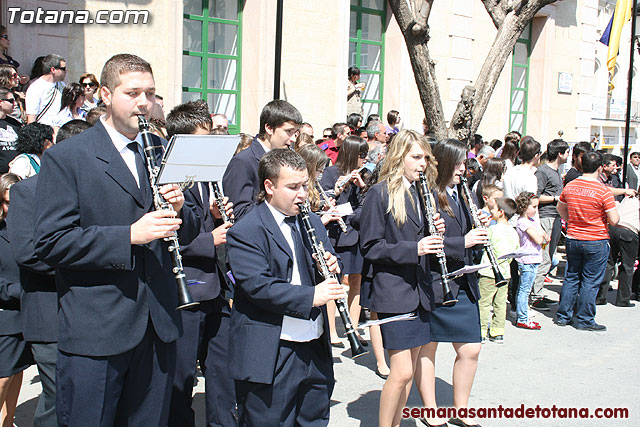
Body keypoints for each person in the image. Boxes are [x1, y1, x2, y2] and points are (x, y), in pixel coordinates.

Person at [33, 53, 200, 426]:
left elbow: (186, 232)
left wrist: (179, 208)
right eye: (133, 92)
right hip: (98, 329)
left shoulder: (157, 152)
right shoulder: (67, 156)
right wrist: (128, 236)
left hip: (158, 324)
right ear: (105, 94)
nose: (144, 103)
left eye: (151, 93)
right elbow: (50, 242)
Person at [226, 148, 343, 426]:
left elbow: (328, 259)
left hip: (314, 347)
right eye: (293, 187)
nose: (302, 194)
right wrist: (313, 295)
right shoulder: (246, 230)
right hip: (272, 352)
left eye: (305, 185)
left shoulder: (311, 220)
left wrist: (329, 264)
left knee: (313, 420)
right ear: (269, 186)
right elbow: (258, 286)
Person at [358, 129, 444, 427]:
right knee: (402, 371)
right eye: (416, 157)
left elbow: (421, 236)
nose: (422, 164)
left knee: (410, 369)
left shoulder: (425, 191)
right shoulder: (379, 193)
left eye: (425, 158)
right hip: (394, 291)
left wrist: (436, 235)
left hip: (420, 288)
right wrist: (415, 248)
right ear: (399, 157)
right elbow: (370, 246)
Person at [164, 99, 237, 427]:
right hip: (187, 289)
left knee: (222, 372)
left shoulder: (209, 174)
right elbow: (167, 235)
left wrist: (217, 215)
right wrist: (212, 238)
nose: (212, 141)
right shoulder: (170, 178)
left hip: (216, 286)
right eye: (205, 135)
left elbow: (202, 220)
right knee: (181, 378)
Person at [418, 139, 488, 427]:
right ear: (445, 163)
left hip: (463, 279)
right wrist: (464, 241)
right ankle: (431, 410)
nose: (464, 169)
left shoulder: (462, 191)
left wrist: (479, 224)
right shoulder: (428, 195)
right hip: (437, 279)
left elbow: (466, 233)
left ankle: (462, 408)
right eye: (459, 163)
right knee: (429, 346)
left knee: (471, 348)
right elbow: (427, 240)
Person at [556, 151, 619, 331]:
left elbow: (561, 208)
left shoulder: (571, 186)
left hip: (574, 237)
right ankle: (584, 318)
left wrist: (572, 221)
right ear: (600, 168)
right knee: (590, 281)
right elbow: (614, 220)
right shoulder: (603, 191)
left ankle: (563, 315)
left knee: (571, 277)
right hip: (596, 239)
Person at [320, 136, 369, 346]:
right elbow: (322, 200)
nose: (365, 160)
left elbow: (367, 207)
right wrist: (338, 189)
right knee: (335, 282)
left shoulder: (364, 175)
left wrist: (362, 186)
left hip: (356, 232)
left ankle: (353, 327)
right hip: (336, 233)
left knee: (356, 280)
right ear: (352, 154)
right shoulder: (331, 172)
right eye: (362, 155)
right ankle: (331, 330)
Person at [222, 99, 302, 221]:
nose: (293, 139)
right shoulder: (243, 162)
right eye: (288, 131)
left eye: (295, 132)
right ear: (269, 128)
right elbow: (239, 211)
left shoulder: (286, 158)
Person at [0, 172, 32, 427]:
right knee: (3, 376)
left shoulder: (31, 228)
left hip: (26, 314)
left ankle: (8, 421)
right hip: (6, 314)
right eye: (8, 202)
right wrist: (18, 291)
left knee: (18, 371)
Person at [530, 138, 569, 311]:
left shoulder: (556, 171)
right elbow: (535, 197)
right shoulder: (543, 172)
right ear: (560, 154)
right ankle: (535, 296)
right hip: (546, 217)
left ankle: (538, 292)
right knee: (544, 257)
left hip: (555, 218)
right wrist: (555, 198)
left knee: (548, 255)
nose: (569, 155)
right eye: (567, 152)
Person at [477, 197, 519, 343]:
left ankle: (481, 331)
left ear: (500, 212)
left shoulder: (492, 230)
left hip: (488, 272)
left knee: (484, 303)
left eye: (493, 209)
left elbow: (482, 243)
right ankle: (497, 332)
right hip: (505, 273)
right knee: (500, 304)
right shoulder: (513, 232)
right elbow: (515, 251)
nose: (491, 211)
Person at [513, 192, 548, 330]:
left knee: (525, 289)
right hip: (527, 259)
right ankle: (522, 317)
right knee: (524, 290)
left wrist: (542, 235)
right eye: (533, 207)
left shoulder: (532, 221)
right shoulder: (523, 222)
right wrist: (542, 236)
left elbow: (544, 236)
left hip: (534, 258)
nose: (535, 210)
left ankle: (523, 314)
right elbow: (539, 239)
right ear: (524, 207)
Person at [596, 194, 638, 307]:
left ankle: (600, 297)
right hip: (629, 231)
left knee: (608, 263)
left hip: (612, 229)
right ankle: (623, 300)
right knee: (627, 266)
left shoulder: (629, 199)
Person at [25, 54, 66, 125]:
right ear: (53, 70)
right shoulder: (35, 88)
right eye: (63, 69)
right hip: (45, 131)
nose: (66, 71)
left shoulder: (62, 84)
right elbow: (31, 117)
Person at [502, 136, 541, 202]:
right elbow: (530, 203)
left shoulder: (510, 172)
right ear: (536, 156)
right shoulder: (530, 177)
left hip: (508, 209)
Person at [0, 87, 21, 173]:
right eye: (11, 100)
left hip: (15, 174)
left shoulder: (15, 123)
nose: (15, 104)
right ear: (0, 102)